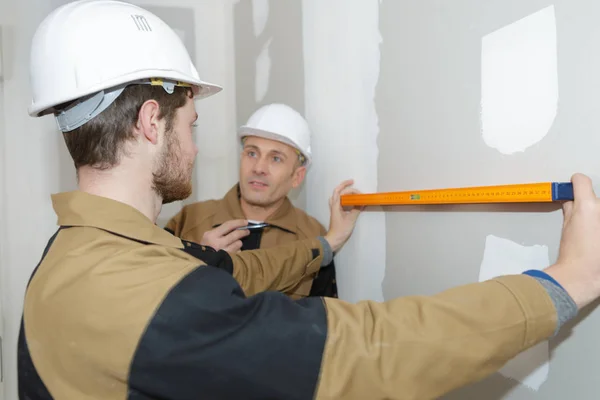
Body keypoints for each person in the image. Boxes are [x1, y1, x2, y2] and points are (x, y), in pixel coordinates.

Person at [18, 1, 600, 399]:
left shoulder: (79, 255)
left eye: (277, 157)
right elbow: (365, 350)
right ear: (151, 121)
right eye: (191, 124)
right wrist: (565, 280)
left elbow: (245, 269)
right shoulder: (148, 296)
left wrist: (325, 243)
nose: (197, 148)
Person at [165, 102, 339, 300]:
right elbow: (154, 301)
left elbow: (324, 323)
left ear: (297, 177)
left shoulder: (313, 237)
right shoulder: (188, 221)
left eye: (276, 158)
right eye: (252, 153)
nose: (259, 168)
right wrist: (200, 258)